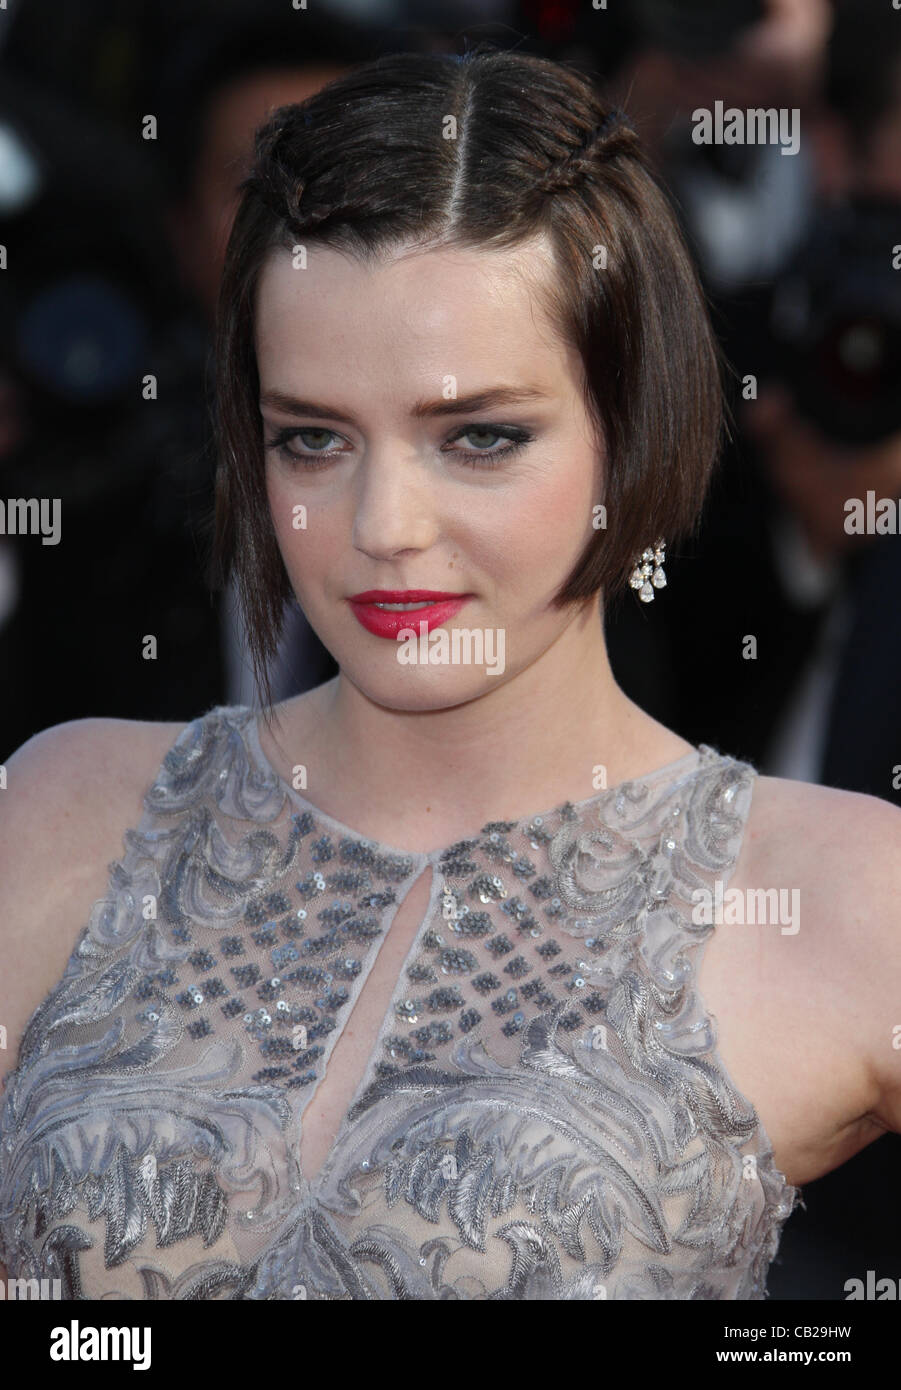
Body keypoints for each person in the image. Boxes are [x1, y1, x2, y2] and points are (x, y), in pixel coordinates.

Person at [0, 45, 898, 1302]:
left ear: (631, 424)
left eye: (478, 436)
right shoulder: (58, 810)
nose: (382, 524)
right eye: (310, 438)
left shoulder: (845, 897)